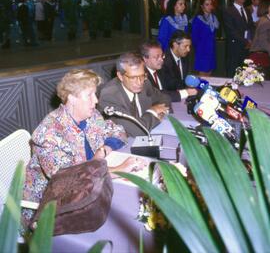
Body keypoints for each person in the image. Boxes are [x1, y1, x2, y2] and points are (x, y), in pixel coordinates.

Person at [22, 69, 145, 228]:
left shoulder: (91, 116)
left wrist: (104, 150)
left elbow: (118, 131)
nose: (96, 100)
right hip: (51, 207)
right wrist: (119, 169)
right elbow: (69, 179)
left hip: (90, 189)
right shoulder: (47, 134)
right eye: (90, 95)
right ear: (72, 99)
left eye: (95, 94)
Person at [98, 52, 171, 137]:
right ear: (120, 76)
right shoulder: (109, 96)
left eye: (142, 76)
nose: (139, 82)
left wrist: (160, 112)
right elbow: (138, 131)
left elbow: (165, 98)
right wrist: (153, 112)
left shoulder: (145, 83)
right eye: (133, 78)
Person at [223, 0, 254, 77]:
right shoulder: (228, 11)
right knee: (233, 75)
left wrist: (251, 39)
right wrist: (246, 41)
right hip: (234, 49)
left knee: (245, 75)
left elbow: (251, 27)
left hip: (246, 49)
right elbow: (231, 31)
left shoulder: (247, 10)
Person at [159, 31, 194, 95]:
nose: (188, 50)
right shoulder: (163, 61)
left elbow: (188, 77)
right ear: (175, 44)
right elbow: (169, 86)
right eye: (185, 46)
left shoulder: (186, 57)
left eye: (189, 46)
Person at [191, 0, 219, 76]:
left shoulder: (214, 18)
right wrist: (199, 48)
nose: (210, 6)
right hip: (201, 51)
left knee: (209, 75)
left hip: (211, 51)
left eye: (210, 4)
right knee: (202, 76)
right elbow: (194, 38)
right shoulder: (198, 19)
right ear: (201, 6)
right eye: (207, 4)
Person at [249, 1, 270, 78]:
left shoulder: (264, 20)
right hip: (260, 57)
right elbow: (263, 41)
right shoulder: (266, 22)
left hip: (260, 56)